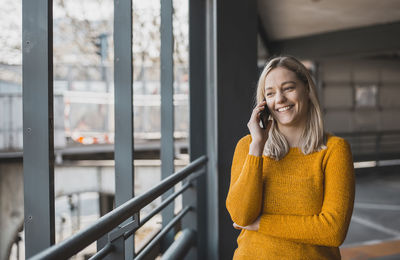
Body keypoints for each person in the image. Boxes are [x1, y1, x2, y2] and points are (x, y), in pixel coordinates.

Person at [226, 56, 355, 259]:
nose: (279, 99)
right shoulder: (248, 147)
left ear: (307, 90)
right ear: (264, 103)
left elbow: (333, 231)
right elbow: (241, 216)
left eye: (288, 88)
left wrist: (260, 223)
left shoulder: (334, 150)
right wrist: (257, 146)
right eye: (270, 93)